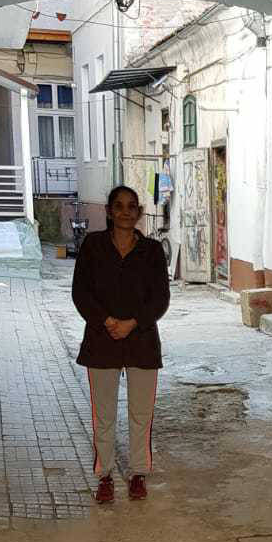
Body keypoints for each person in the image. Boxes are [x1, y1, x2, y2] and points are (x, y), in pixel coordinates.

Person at [72, 183, 170, 504]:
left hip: (142, 341)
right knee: (104, 415)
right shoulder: (93, 246)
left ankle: (138, 473)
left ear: (139, 212)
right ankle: (105, 476)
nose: (125, 212)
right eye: (119, 206)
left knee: (141, 414)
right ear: (109, 212)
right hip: (102, 341)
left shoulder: (152, 251)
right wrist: (106, 321)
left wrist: (133, 323)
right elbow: (80, 292)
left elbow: (160, 298)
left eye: (131, 206)